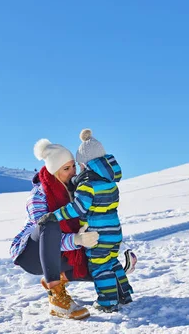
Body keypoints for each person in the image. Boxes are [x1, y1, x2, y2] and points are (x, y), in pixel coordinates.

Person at [38, 129, 134, 312]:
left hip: (99, 234)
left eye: (78, 166)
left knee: (99, 268)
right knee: (112, 262)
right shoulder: (110, 182)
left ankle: (107, 302)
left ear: (84, 164)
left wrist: (55, 215)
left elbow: (78, 208)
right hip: (114, 231)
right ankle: (124, 294)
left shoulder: (88, 184)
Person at [9, 138, 99, 320]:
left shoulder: (78, 193)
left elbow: (98, 222)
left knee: (104, 269)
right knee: (48, 222)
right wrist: (76, 240)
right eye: (66, 169)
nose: (73, 172)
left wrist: (116, 256)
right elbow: (44, 231)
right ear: (54, 171)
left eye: (73, 166)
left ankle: (61, 276)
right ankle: (57, 296)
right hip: (32, 254)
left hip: (62, 253)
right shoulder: (39, 194)